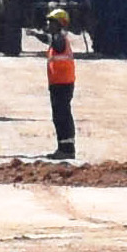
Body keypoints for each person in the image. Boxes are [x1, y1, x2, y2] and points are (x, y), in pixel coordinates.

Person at [44, 12, 81, 161]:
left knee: (62, 116)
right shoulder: (58, 38)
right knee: (60, 115)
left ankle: (67, 149)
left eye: (51, 23)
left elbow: (56, 44)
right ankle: (63, 147)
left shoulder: (59, 39)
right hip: (59, 83)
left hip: (62, 84)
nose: (48, 25)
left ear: (58, 24)